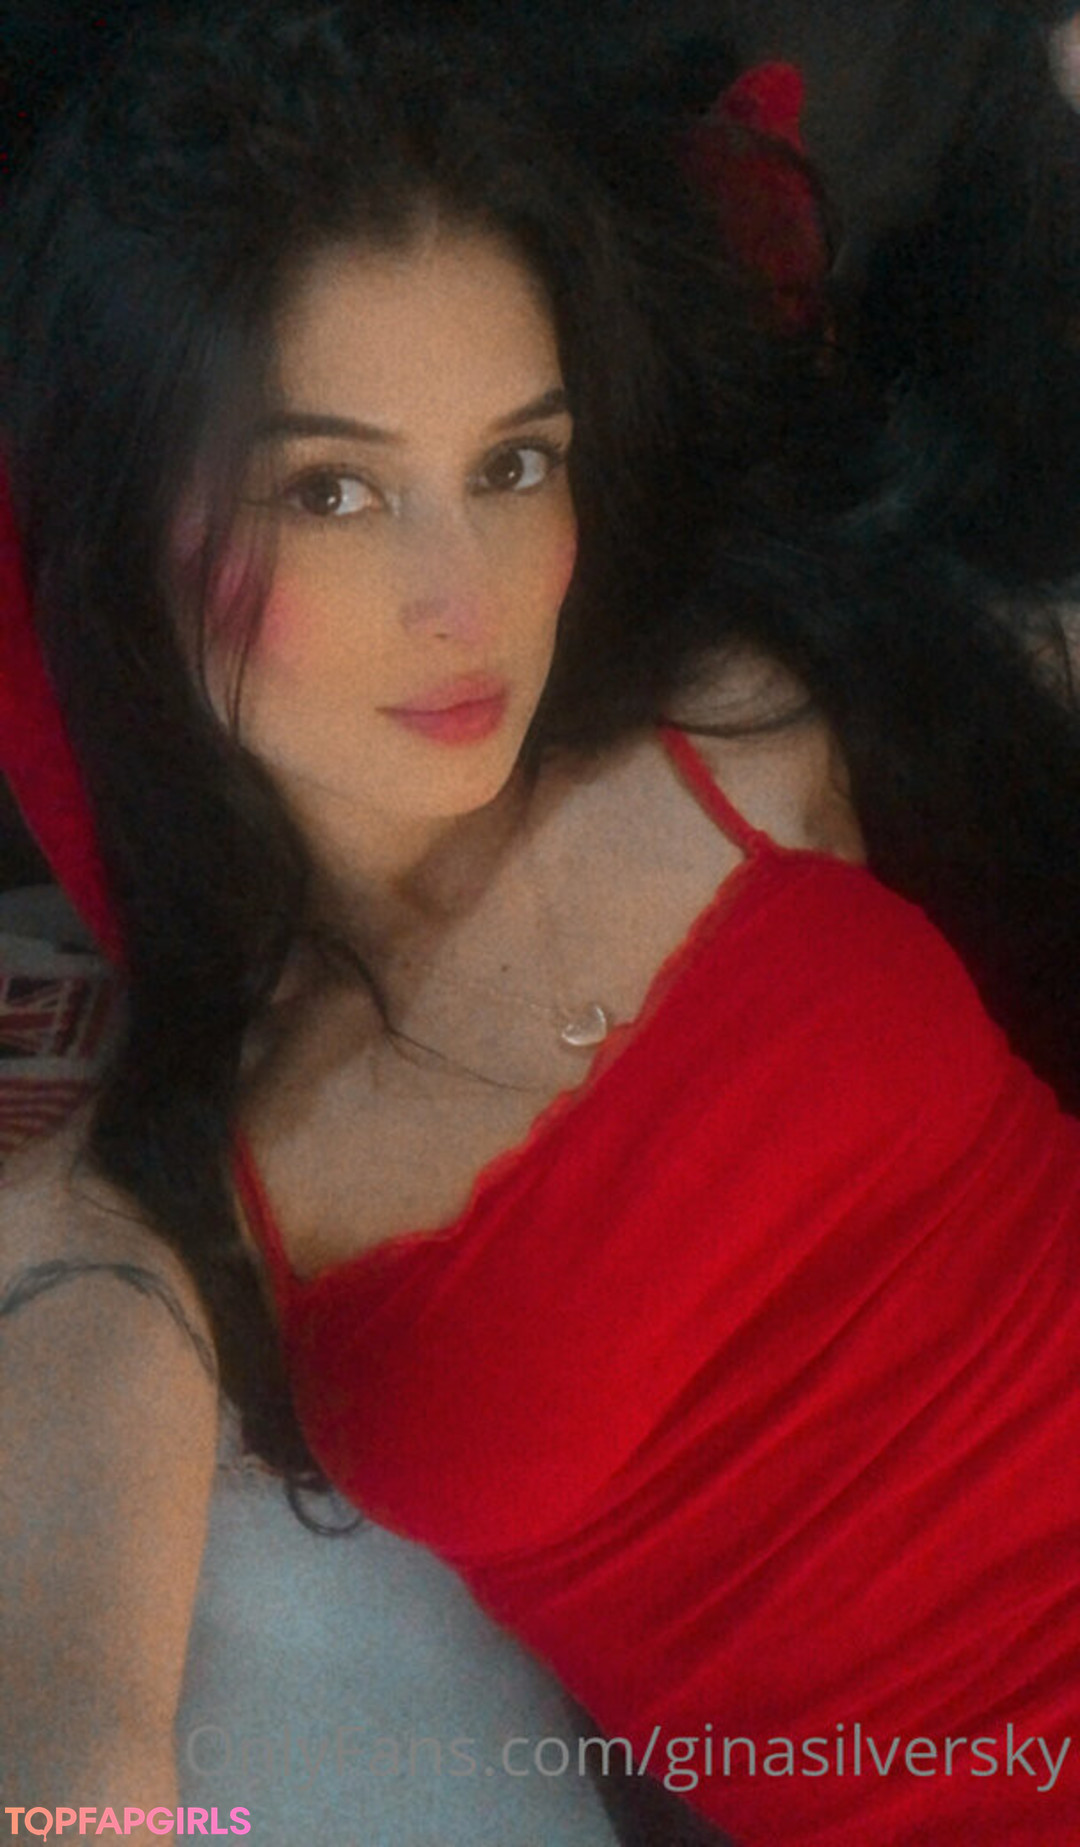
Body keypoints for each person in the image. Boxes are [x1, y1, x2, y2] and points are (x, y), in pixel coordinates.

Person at [1, 3, 1079, 1845]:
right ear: (119, 543)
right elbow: (70, 1745)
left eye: (514, 464)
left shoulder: (742, 721)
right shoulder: (176, 1185)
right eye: (333, 490)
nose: (468, 598)